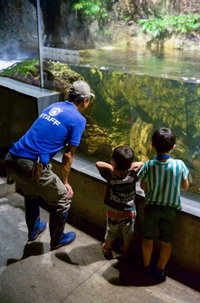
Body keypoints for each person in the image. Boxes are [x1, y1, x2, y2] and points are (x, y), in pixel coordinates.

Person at [5, 80, 95, 251]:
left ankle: (34, 229)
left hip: (11, 158)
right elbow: (68, 155)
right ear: (85, 100)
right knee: (62, 199)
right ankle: (58, 239)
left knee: (31, 191)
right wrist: (65, 182)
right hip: (30, 165)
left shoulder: (54, 107)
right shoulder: (78, 119)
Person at [137, 127, 189, 282]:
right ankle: (160, 269)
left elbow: (143, 186)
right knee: (166, 241)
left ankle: (146, 267)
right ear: (174, 147)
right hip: (170, 210)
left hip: (152, 207)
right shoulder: (180, 165)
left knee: (147, 238)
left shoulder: (147, 165)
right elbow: (185, 186)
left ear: (152, 145)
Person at [96, 146, 143, 259]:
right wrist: (134, 165)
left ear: (113, 161)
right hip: (129, 211)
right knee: (128, 232)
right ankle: (125, 250)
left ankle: (107, 248)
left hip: (113, 209)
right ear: (131, 163)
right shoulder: (133, 174)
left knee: (111, 230)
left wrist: (112, 168)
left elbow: (98, 163)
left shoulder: (109, 174)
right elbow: (143, 164)